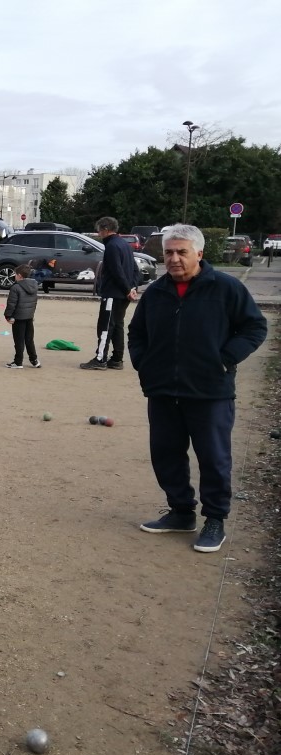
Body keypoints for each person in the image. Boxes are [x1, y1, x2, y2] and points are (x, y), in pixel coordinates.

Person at [129, 224, 267, 553]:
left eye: (182, 252)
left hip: (210, 392)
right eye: (169, 252)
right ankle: (180, 512)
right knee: (166, 454)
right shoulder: (156, 292)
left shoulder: (225, 288)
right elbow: (137, 334)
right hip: (163, 390)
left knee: (214, 458)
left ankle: (215, 519)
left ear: (199, 254)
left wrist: (226, 358)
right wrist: (144, 364)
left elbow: (254, 326)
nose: (174, 259)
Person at [80, 216, 138, 370]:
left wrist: (127, 289)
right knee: (117, 325)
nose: (98, 233)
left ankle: (100, 359)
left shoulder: (112, 246)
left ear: (105, 229)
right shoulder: (125, 245)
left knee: (105, 326)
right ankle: (117, 358)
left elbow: (116, 271)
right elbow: (134, 269)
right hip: (122, 293)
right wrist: (132, 288)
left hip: (113, 293)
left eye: (99, 230)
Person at [3, 263, 40, 369]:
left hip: (18, 318)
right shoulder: (34, 285)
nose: (14, 276)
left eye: (15, 274)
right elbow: (34, 302)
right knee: (29, 340)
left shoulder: (16, 287)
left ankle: (18, 362)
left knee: (19, 341)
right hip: (29, 317)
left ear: (19, 275)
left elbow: (11, 304)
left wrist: (8, 316)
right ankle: (34, 360)